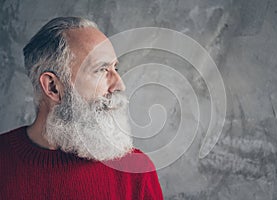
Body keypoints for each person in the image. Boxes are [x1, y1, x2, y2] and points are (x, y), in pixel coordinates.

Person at [0, 17, 163, 199]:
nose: (119, 85)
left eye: (115, 68)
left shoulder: (136, 170)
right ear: (53, 87)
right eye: (101, 70)